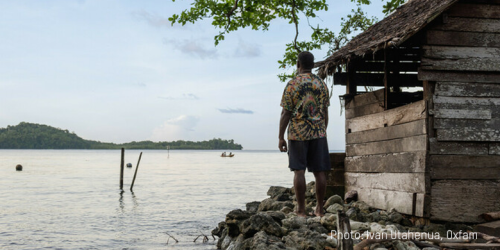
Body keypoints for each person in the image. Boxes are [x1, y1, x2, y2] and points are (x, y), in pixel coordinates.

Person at [278, 51, 331, 217]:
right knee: (319, 171)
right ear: (313, 64)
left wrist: (280, 137)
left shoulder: (292, 84)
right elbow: (325, 111)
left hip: (297, 133)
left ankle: (301, 210)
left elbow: (286, 113)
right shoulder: (320, 84)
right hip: (318, 132)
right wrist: (322, 130)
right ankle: (320, 210)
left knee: (299, 171)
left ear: (298, 64)